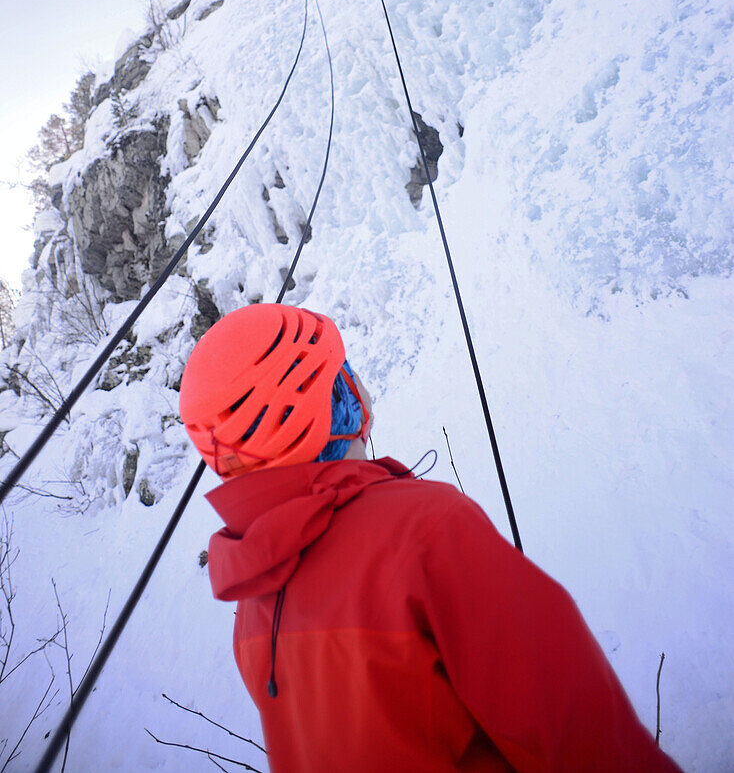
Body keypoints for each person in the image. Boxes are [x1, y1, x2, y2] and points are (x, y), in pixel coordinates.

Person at [179, 303, 684, 773]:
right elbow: (581, 735)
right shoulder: (428, 532)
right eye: (341, 374)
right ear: (336, 399)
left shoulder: (254, 606)